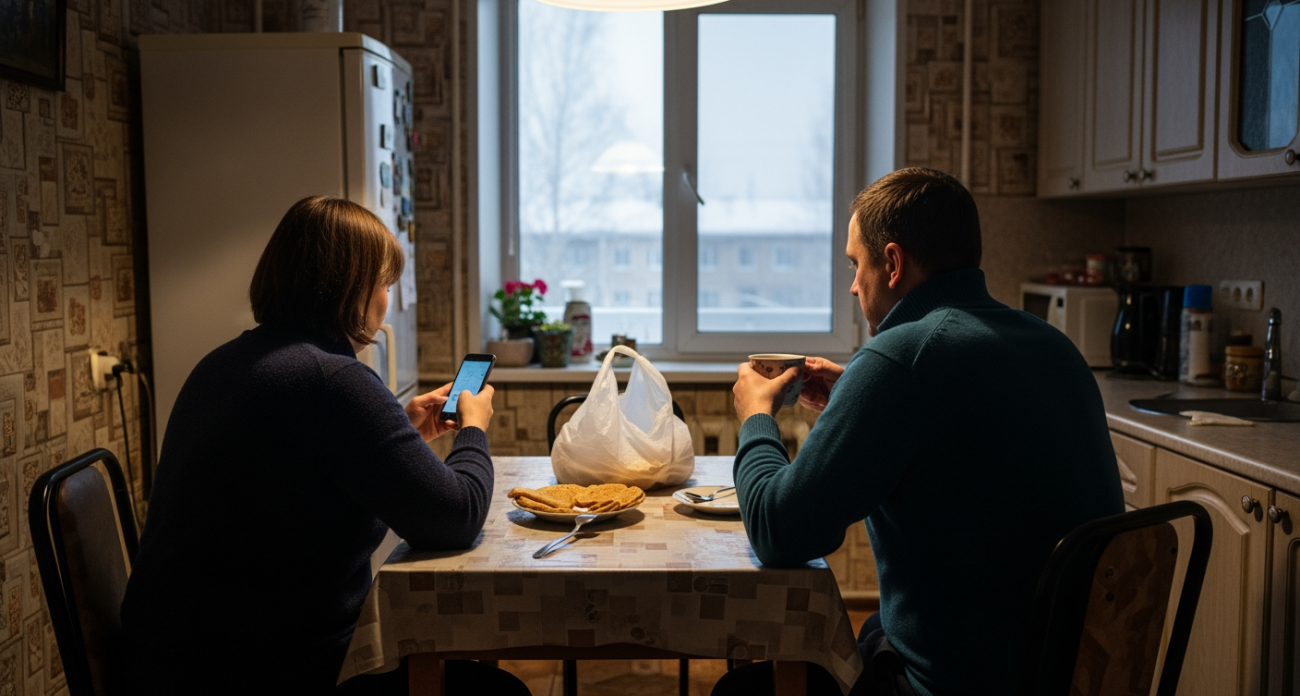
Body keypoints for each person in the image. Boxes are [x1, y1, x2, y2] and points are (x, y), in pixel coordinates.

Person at [716, 168, 1124, 696]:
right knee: (873, 628)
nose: (852, 284)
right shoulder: (1053, 345)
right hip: (1063, 670)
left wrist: (756, 415)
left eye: (855, 264)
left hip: (956, 684)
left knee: (740, 690)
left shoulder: (900, 357)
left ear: (892, 263)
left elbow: (780, 532)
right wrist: (853, 395)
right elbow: (965, 438)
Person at [119, 196, 529, 695]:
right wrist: (473, 427)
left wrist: (399, 430)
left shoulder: (224, 362)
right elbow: (456, 518)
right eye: (383, 283)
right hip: (264, 671)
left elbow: (298, 485)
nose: (385, 300)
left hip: (176, 660)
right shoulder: (332, 380)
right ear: (351, 288)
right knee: (498, 692)